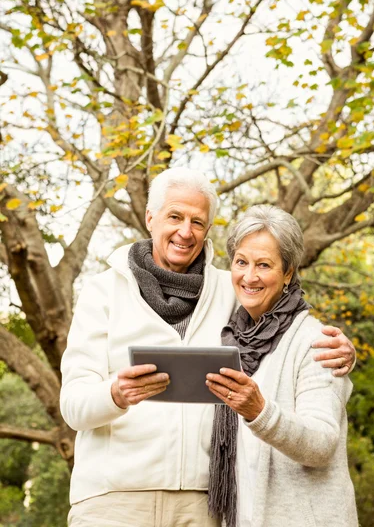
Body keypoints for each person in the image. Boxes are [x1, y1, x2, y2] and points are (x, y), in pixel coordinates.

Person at [60, 167, 356, 527]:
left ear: (208, 230)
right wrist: (115, 394)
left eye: (197, 222)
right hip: (113, 499)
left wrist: (342, 350)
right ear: (150, 218)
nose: (185, 232)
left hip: (203, 505)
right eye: (175, 217)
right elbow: (73, 407)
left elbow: (282, 323)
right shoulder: (103, 292)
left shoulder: (232, 290)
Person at [206, 205, 358, 527]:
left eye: (264, 265)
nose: (249, 277)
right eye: (241, 262)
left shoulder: (317, 342)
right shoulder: (230, 335)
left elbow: (321, 444)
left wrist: (259, 411)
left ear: (288, 273)